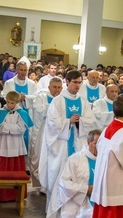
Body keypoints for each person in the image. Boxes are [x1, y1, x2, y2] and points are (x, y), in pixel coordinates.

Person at [38, 70, 96, 199]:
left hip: (78, 143)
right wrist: (68, 121)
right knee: (59, 173)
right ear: (67, 81)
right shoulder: (58, 101)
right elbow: (52, 123)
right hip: (61, 145)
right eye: (75, 82)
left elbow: (90, 120)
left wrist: (80, 121)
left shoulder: (84, 102)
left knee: (77, 173)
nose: (77, 86)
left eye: (80, 83)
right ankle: (56, 206)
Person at [41, 129, 101, 218]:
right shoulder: (75, 159)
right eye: (96, 144)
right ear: (88, 142)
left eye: (101, 144)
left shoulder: (105, 161)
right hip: (76, 200)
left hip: (98, 201)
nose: (99, 147)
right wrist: (86, 190)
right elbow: (64, 183)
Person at [0, 91, 33, 201]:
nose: (9, 104)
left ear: (17, 102)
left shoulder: (22, 113)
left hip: (17, 144)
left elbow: (21, 129)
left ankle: (16, 195)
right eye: (8, 102)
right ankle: (3, 194)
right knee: (4, 169)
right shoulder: (0, 112)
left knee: (16, 168)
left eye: (12, 103)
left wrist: (7, 127)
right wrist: (12, 128)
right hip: (3, 143)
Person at [29, 77, 62, 192]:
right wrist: (53, 110)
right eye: (54, 87)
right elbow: (39, 110)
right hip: (43, 130)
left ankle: (52, 184)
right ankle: (42, 184)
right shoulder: (41, 97)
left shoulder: (62, 99)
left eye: (59, 87)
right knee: (40, 156)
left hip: (57, 132)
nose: (56, 90)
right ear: (49, 87)